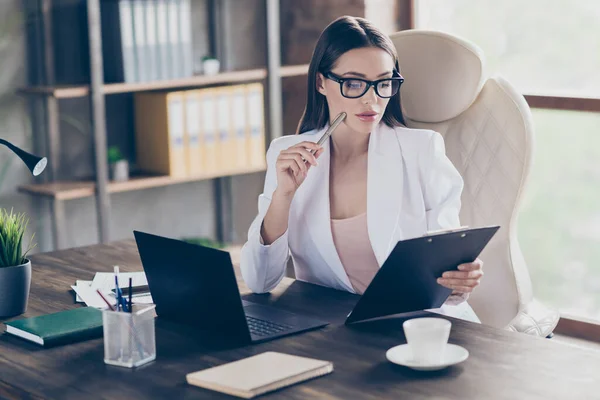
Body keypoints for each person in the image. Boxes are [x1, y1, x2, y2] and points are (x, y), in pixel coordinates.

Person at [240, 16, 484, 322]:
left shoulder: (422, 151)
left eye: (383, 83)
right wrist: (283, 197)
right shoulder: (286, 154)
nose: (371, 99)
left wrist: (460, 280)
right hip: (335, 330)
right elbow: (260, 282)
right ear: (321, 82)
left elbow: (447, 277)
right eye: (353, 83)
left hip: (418, 326)